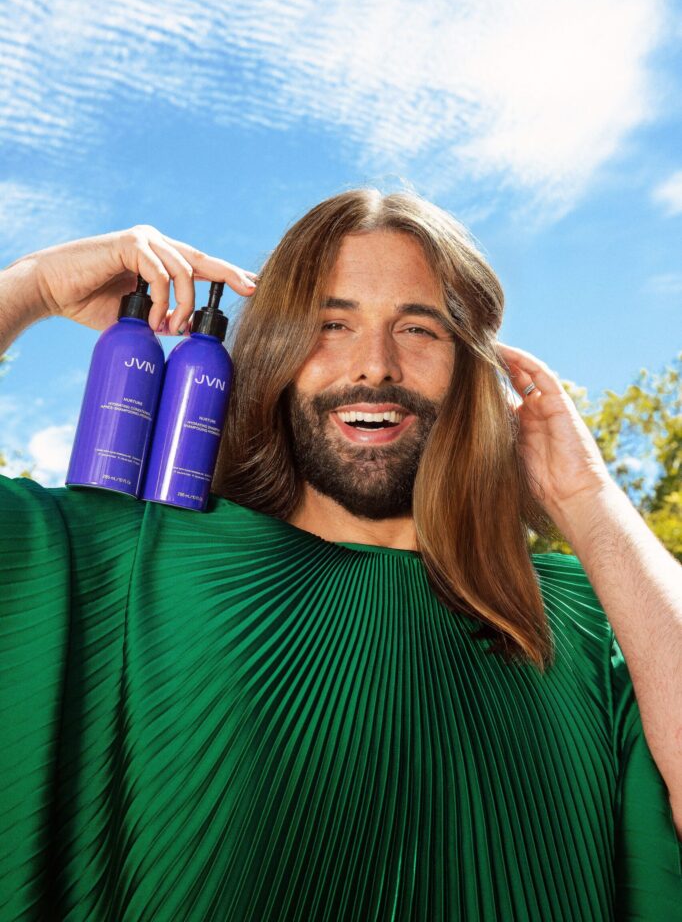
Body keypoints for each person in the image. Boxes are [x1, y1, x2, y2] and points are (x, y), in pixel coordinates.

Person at [0, 189, 680, 921]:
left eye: (419, 328)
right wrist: (31, 285)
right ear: (275, 354)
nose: (375, 366)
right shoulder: (124, 557)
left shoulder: (587, 621)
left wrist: (589, 499)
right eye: (331, 324)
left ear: (475, 369)